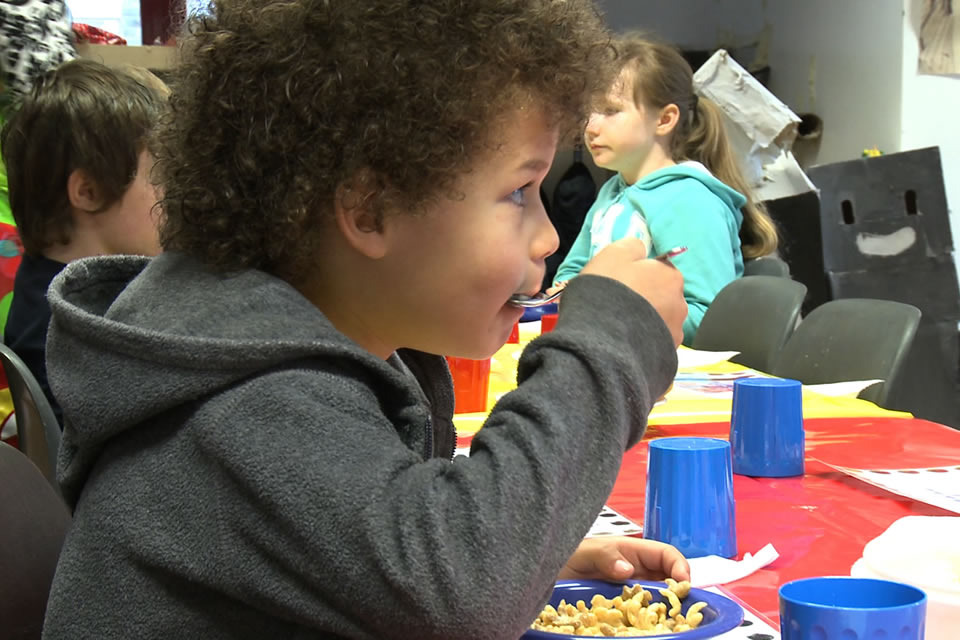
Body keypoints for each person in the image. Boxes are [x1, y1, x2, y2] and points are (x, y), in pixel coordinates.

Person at [41, 2, 688, 638]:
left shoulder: (261, 353)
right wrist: (613, 338)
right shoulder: (245, 402)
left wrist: (534, 554)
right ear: (372, 209)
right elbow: (461, 592)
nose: (547, 237)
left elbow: (393, 560)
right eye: (519, 192)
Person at [552, 34, 779, 344]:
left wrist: (611, 314)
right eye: (589, 112)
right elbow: (574, 273)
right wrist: (560, 296)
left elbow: (705, 316)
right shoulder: (613, 192)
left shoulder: (690, 200)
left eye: (610, 110)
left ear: (665, 119)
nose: (591, 126)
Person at [1, 59, 167, 425]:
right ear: (88, 192)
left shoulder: (57, 290)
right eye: (158, 176)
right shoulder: (65, 330)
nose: (172, 195)